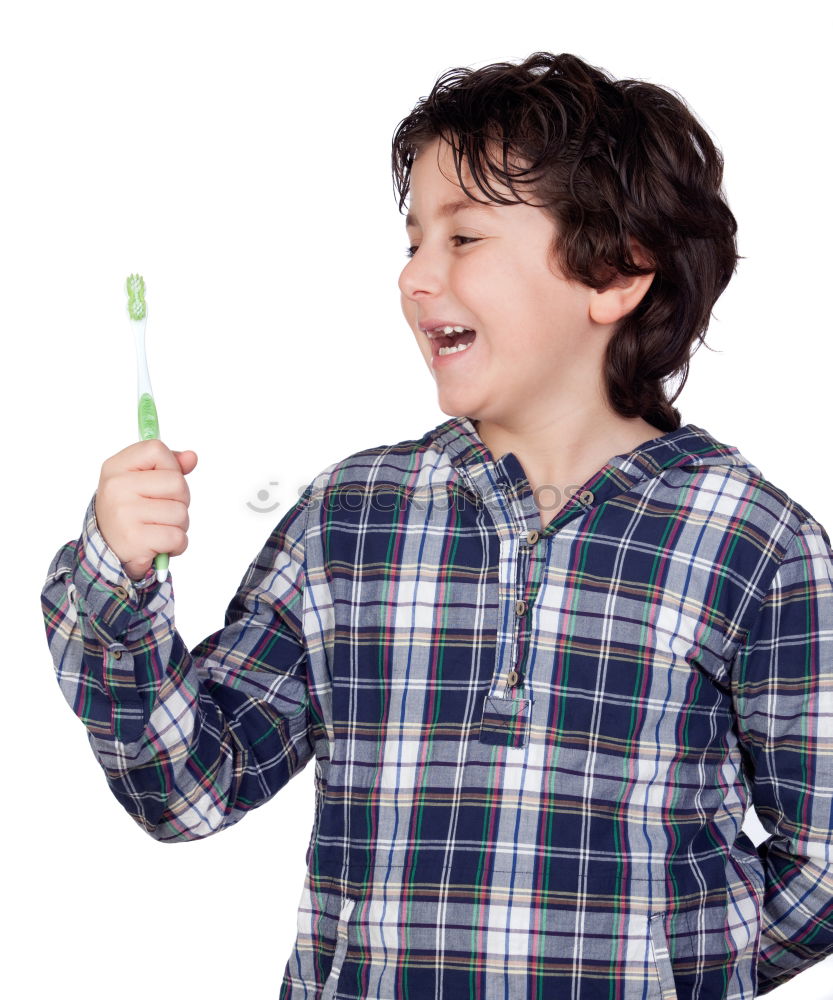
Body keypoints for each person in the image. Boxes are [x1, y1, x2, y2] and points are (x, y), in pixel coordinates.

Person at [40, 51, 833, 999]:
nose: (417, 276)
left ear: (616, 271)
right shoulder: (349, 519)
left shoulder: (753, 543)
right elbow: (186, 786)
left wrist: (673, 968)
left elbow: (821, 862)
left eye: (463, 238)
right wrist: (115, 582)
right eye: (412, 239)